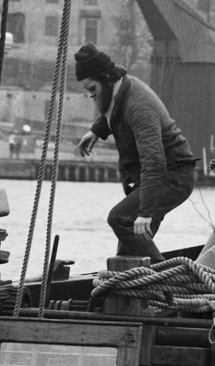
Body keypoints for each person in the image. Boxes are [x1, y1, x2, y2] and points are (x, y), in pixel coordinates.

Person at [74, 42, 196, 261]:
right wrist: (97, 130)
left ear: (107, 79)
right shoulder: (122, 87)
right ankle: (144, 279)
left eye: (92, 89)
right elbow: (114, 108)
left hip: (173, 177)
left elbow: (154, 161)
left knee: (119, 218)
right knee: (127, 255)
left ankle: (164, 276)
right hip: (156, 178)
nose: (91, 96)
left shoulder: (140, 107)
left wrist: (145, 213)